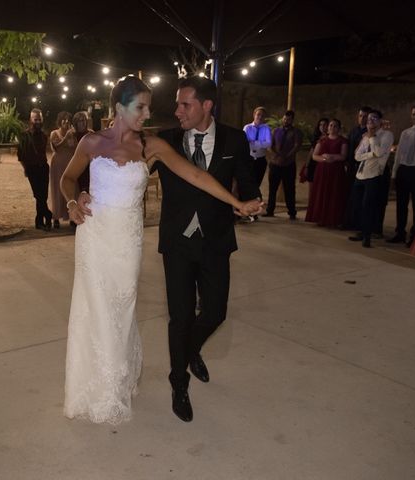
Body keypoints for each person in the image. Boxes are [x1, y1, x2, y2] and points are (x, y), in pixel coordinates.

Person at [60, 75, 262, 425]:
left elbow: (197, 176)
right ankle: (102, 390)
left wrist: (237, 203)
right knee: (94, 310)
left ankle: (119, 380)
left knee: (121, 312)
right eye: (141, 106)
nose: (148, 113)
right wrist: (71, 201)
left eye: (149, 106)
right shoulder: (91, 143)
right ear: (119, 107)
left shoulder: (150, 146)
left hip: (126, 244)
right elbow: (67, 178)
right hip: (94, 238)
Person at [347, 110, 393, 247]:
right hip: (360, 174)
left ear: (380, 121)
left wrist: (372, 136)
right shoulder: (365, 136)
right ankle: (361, 231)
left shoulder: (386, 135)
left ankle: (367, 236)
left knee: (369, 206)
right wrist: (370, 154)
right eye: (369, 118)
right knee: (359, 205)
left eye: (374, 118)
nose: (370, 120)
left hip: (374, 175)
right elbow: (357, 156)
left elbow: (379, 152)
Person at [388, 102, 415, 246]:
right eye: (413, 114)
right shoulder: (406, 133)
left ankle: (414, 236)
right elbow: (398, 155)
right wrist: (394, 174)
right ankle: (400, 233)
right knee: (401, 204)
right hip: (404, 169)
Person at [305, 119, 348, 228]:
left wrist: (332, 157)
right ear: (328, 128)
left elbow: (343, 156)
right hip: (322, 171)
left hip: (336, 171)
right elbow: (314, 156)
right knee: (322, 192)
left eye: (335, 126)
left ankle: (333, 219)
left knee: (334, 193)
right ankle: (320, 218)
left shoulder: (342, 141)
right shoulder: (322, 140)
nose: (332, 128)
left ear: (339, 128)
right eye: (331, 125)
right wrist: (324, 159)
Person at [17, 108, 53, 230]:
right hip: (32, 168)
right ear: (30, 120)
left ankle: (39, 221)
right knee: (38, 195)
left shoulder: (44, 135)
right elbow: (20, 156)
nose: (37, 122)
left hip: (43, 167)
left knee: (43, 196)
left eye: (39, 119)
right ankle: (48, 215)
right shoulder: (24, 136)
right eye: (35, 119)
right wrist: (25, 169)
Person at [266, 110, 302, 219]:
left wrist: (286, 156)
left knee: (289, 188)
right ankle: (270, 210)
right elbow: (269, 145)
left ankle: (292, 212)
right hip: (275, 163)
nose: (286, 121)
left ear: (292, 120)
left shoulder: (296, 132)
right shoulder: (275, 131)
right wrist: (276, 155)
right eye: (285, 119)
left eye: (289, 119)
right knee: (272, 188)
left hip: (288, 164)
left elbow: (297, 146)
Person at [343, 106, 373, 229]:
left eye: (365, 116)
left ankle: (359, 224)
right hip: (351, 167)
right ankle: (349, 221)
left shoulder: (370, 132)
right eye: (360, 116)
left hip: (363, 168)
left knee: (360, 197)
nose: (362, 119)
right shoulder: (354, 131)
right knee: (350, 196)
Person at [49, 111, 76, 228]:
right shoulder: (54, 133)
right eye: (63, 119)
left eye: (68, 120)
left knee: (71, 189)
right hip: (58, 164)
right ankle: (56, 217)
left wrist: (72, 136)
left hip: (70, 163)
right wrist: (66, 137)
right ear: (59, 121)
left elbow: (74, 146)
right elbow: (57, 146)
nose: (66, 122)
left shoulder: (73, 133)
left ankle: (71, 216)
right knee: (57, 189)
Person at [243, 106, 271, 189]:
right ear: (254, 115)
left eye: (262, 115)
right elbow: (245, 143)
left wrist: (256, 143)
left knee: (256, 184)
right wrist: (262, 143)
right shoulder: (247, 128)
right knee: (246, 183)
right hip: (249, 159)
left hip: (261, 161)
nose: (260, 117)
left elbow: (269, 144)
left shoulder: (266, 129)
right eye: (258, 114)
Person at [303, 117, 329, 184]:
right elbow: (311, 152)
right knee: (312, 185)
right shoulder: (316, 137)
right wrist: (306, 166)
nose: (322, 127)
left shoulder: (330, 138)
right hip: (314, 163)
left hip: (324, 163)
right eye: (320, 125)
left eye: (324, 125)